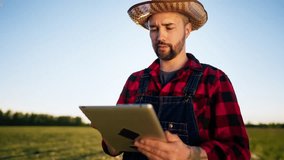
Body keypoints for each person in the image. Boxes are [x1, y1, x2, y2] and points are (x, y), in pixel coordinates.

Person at [98, 0, 250, 159]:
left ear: (187, 30)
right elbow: (113, 147)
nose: (160, 36)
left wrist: (191, 154)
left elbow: (239, 152)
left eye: (169, 27)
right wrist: (111, 141)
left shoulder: (214, 80)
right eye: (154, 29)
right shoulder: (134, 81)